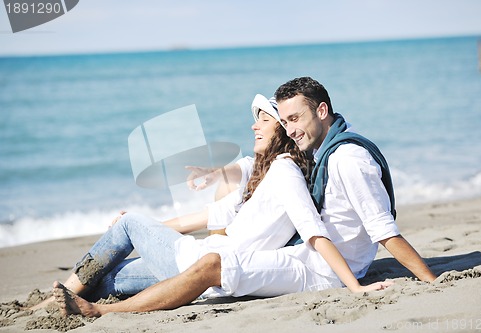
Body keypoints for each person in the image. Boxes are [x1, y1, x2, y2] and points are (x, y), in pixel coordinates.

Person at [52, 77, 435, 317]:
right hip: (295, 260)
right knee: (113, 276)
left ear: (320, 111)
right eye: (283, 120)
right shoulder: (306, 159)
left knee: (137, 229)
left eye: (288, 120)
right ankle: (67, 300)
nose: (286, 127)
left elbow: (363, 229)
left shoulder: (336, 161)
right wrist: (216, 173)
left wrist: (425, 284)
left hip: (311, 269)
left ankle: (97, 311)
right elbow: (243, 169)